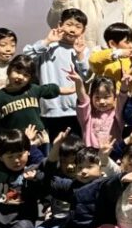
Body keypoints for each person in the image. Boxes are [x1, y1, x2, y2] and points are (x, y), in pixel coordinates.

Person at [0, 55, 71, 138]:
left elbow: (53, 89)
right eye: (17, 71)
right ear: (9, 71)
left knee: (42, 164)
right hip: (14, 142)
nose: (21, 77)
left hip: (38, 138)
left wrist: (74, 88)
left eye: (26, 75)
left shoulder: (33, 90)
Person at [23, 8, 91, 138]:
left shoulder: (84, 50)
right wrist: (47, 41)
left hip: (75, 110)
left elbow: (87, 76)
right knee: (51, 147)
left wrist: (80, 55)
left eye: (78, 27)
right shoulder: (48, 47)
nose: (72, 30)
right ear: (60, 25)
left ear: (83, 30)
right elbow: (27, 57)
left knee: (74, 147)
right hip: (50, 110)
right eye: (69, 24)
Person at [88, 23, 132, 90]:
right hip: (109, 95)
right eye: (127, 42)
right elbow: (93, 61)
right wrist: (117, 54)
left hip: (127, 95)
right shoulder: (104, 57)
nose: (131, 45)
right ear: (112, 44)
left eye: (131, 41)